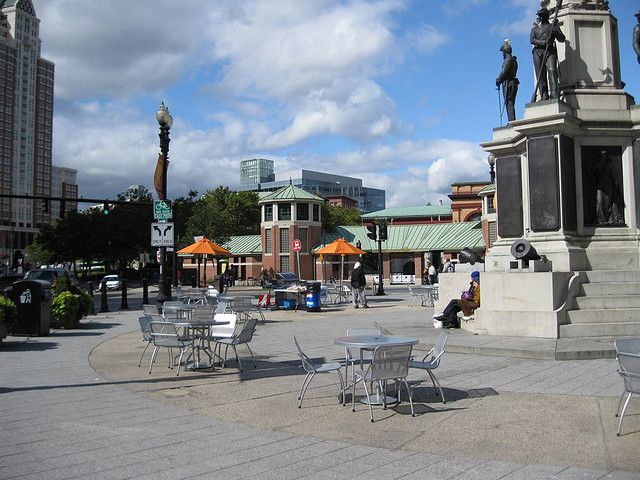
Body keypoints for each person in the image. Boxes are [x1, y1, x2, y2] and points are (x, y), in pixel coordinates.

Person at [530, 7, 565, 100]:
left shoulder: (553, 26)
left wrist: (556, 32)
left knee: (552, 71)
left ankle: (554, 94)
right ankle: (544, 95)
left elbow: (562, 39)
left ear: (546, 16)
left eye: (542, 15)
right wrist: (544, 42)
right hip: (538, 52)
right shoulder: (535, 29)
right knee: (540, 75)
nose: (540, 17)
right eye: (539, 16)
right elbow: (532, 40)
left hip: (550, 51)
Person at [495, 39, 519, 122]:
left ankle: (511, 120)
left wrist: (498, 80)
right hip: (513, 82)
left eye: (503, 52)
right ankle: (511, 120)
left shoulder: (508, 60)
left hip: (508, 83)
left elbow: (504, 72)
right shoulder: (514, 61)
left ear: (505, 52)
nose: (502, 54)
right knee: (511, 103)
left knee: (509, 102)